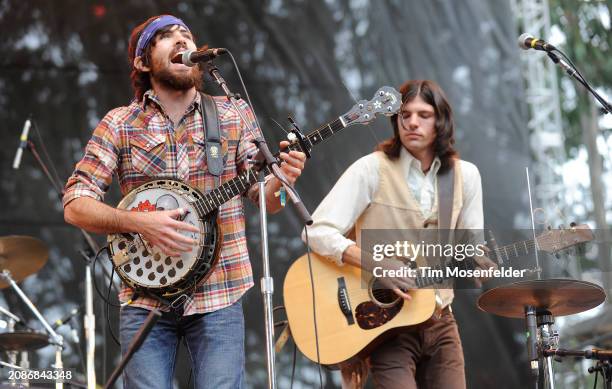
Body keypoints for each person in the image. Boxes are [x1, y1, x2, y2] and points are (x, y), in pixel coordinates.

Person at [63, 15, 306, 389]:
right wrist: (141, 223)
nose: (180, 41)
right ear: (143, 62)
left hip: (220, 290)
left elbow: (264, 199)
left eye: (186, 35)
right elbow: (75, 204)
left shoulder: (232, 113)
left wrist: (282, 178)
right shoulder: (120, 123)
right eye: (164, 37)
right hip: (145, 295)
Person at [303, 80, 492, 389]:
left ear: (441, 121)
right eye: (405, 114)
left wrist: (479, 261)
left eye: (424, 114)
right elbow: (315, 231)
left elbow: (474, 247)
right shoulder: (370, 169)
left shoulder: (465, 176)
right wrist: (376, 265)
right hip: (385, 323)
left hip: (441, 320)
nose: (412, 122)